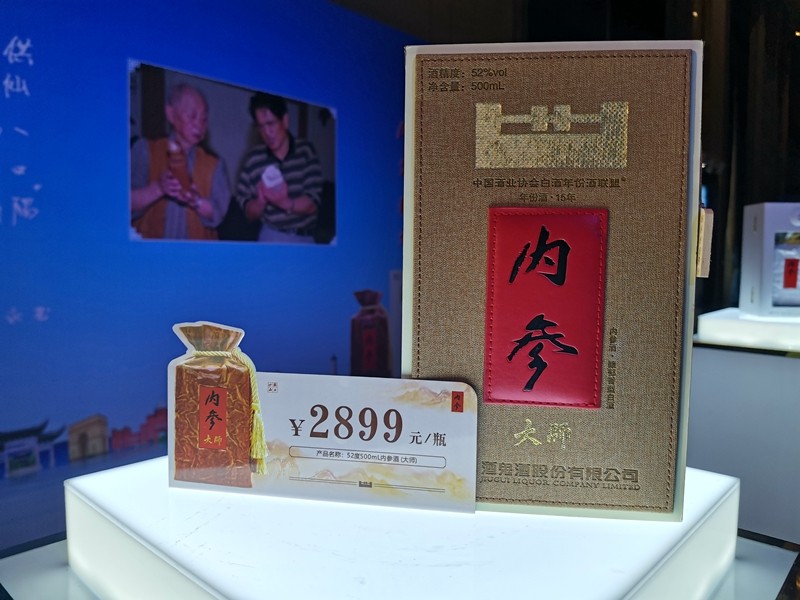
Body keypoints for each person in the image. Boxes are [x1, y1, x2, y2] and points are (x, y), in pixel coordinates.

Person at [131, 83, 230, 240]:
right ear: (171, 114)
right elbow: (124, 204)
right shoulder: (146, 150)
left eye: (204, 119)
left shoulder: (215, 164)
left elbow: (218, 214)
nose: (199, 125)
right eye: (192, 116)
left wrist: (196, 201)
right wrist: (159, 188)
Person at [235, 92, 323, 243]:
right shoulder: (252, 160)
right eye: (261, 126)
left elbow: (313, 203)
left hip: (304, 237)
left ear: (285, 120)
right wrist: (260, 201)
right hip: (271, 235)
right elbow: (248, 212)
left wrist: (283, 202)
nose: (267, 133)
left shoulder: (306, 151)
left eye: (271, 124)